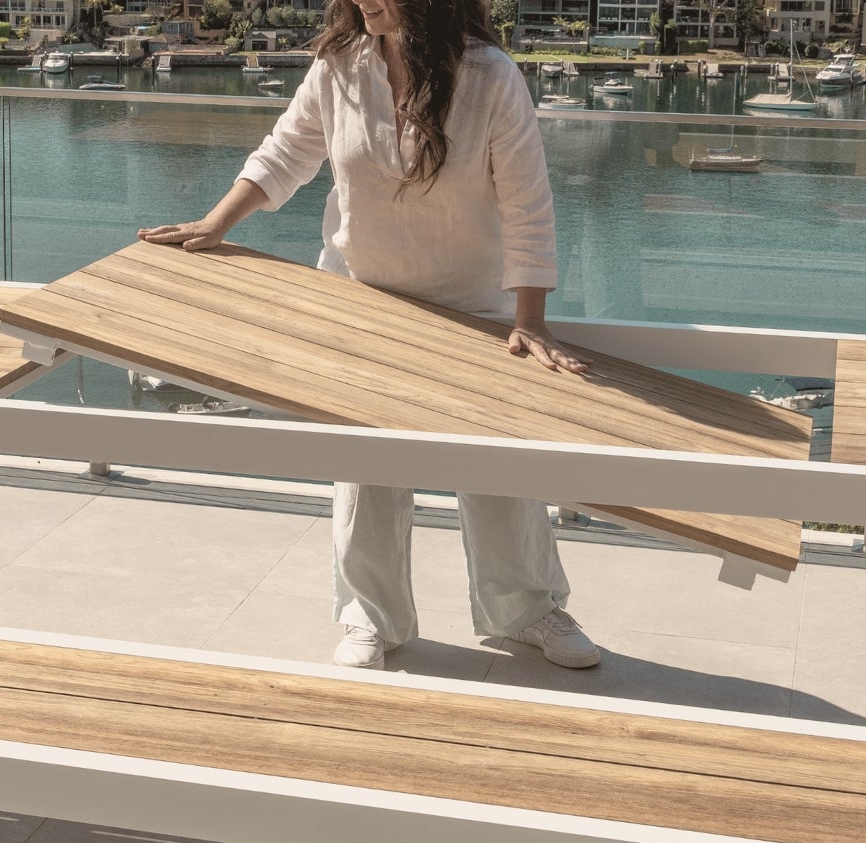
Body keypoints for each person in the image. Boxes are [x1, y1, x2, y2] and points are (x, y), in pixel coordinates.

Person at [138, 0, 599, 673]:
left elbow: (527, 203)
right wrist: (217, 223)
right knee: (366, 470)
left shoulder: (491, 76)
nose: (361, 1)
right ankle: (368, 614)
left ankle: (528, 608)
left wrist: (529, 320)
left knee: (498, 472)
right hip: (363, 302)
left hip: (473, 312)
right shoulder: (338, 68)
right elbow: (285, 154)